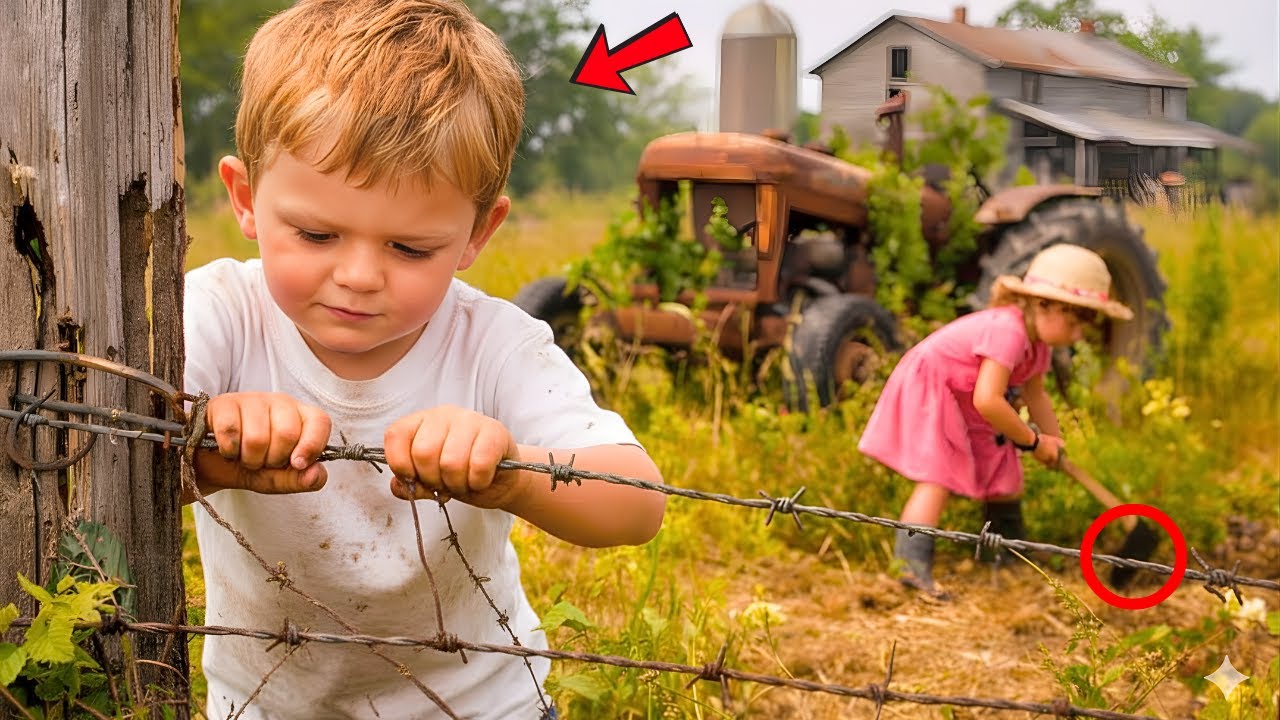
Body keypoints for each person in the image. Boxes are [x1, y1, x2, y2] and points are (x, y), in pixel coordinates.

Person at [181, 1, 666, 717]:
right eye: (315, 234)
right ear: (247, 199)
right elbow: (114, 455)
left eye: (410, 248)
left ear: (477, 232)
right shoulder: (221, 311)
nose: (359, 275)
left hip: (481, 706)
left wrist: (510, 475)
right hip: (264, 705)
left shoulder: (496, 343)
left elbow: (638, 503)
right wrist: (210, 442)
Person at [856, 244, 1132, 599]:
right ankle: (910, 569)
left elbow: (1035, 394)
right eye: (1075, 322)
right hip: (935, 389)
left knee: (1003, 468)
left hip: (967, 398)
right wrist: (1032, 442)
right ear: (1044, 305)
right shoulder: (1009, 330)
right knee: (938, 476)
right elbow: (987, 399)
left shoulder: (1039, 344)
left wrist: (1053, 439)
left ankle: (1006, 554)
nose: (1078, 335)